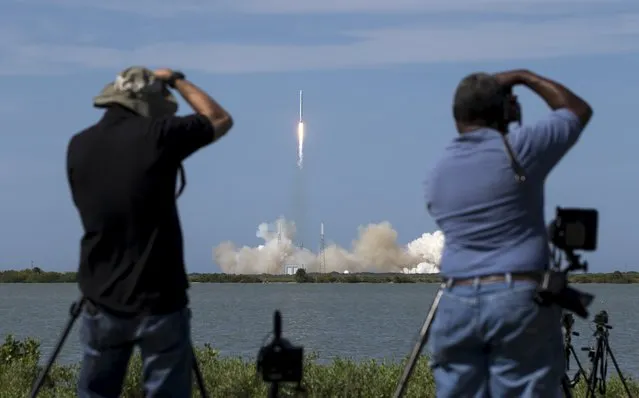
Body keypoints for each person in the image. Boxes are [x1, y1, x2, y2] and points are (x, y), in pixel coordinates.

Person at [66, 66, 233, 397]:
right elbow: (218, 118)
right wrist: (175, 79)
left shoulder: (78, 146)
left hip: (100, 298)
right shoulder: (159, 135)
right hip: (160, 301)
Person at [425, 69, 592, 398]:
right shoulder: (520, 149)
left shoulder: (438, 171)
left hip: (455, 302)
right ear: (506, 111)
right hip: (516, 301)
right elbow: (576, 110)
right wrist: (526, 78)